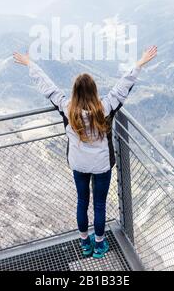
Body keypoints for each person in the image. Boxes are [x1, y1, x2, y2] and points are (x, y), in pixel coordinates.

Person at [13, 45, 157, 259]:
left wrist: (30, 64)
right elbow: (122, 87)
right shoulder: (105, 108)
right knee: (99, 204)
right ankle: (99, 246)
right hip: (101, 165)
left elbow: (49, 88)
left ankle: (84, 243)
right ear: (94, 91)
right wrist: (140, 63)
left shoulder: (67, 108)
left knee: (82, 201)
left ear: (75, 93)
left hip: (79, 164)